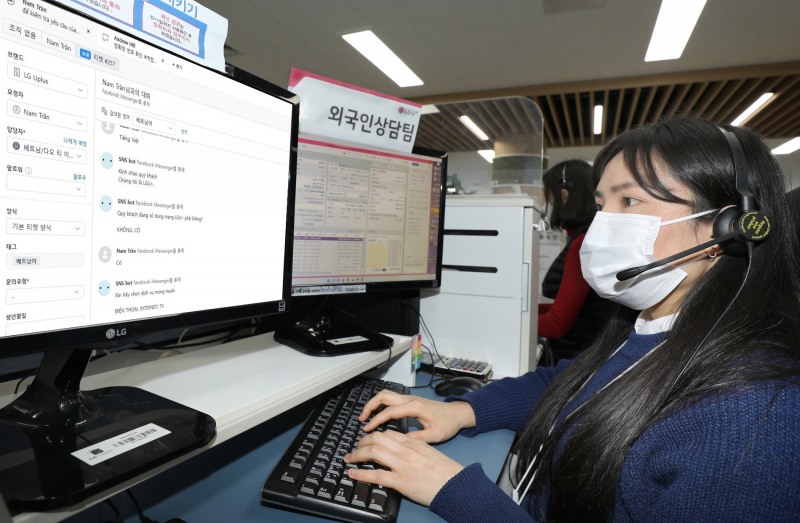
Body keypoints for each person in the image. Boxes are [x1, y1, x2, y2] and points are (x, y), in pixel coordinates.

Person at [343, 116, 800, 521]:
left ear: (726, 226)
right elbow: (571, 384)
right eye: (602, 205)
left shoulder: (758, 417)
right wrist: (465, 410)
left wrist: (453, 490)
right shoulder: (648, 325)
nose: (603, 224)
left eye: (629, 202)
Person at [538, 160, 620, 363]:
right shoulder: (586, 234)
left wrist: (506, 322)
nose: (545, 205)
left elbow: (557, 324)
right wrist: (523, 311)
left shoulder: (584, 241)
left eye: (547, 197)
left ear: (563, 195)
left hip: (574, 358)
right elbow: (576, 308)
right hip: (585, 352)